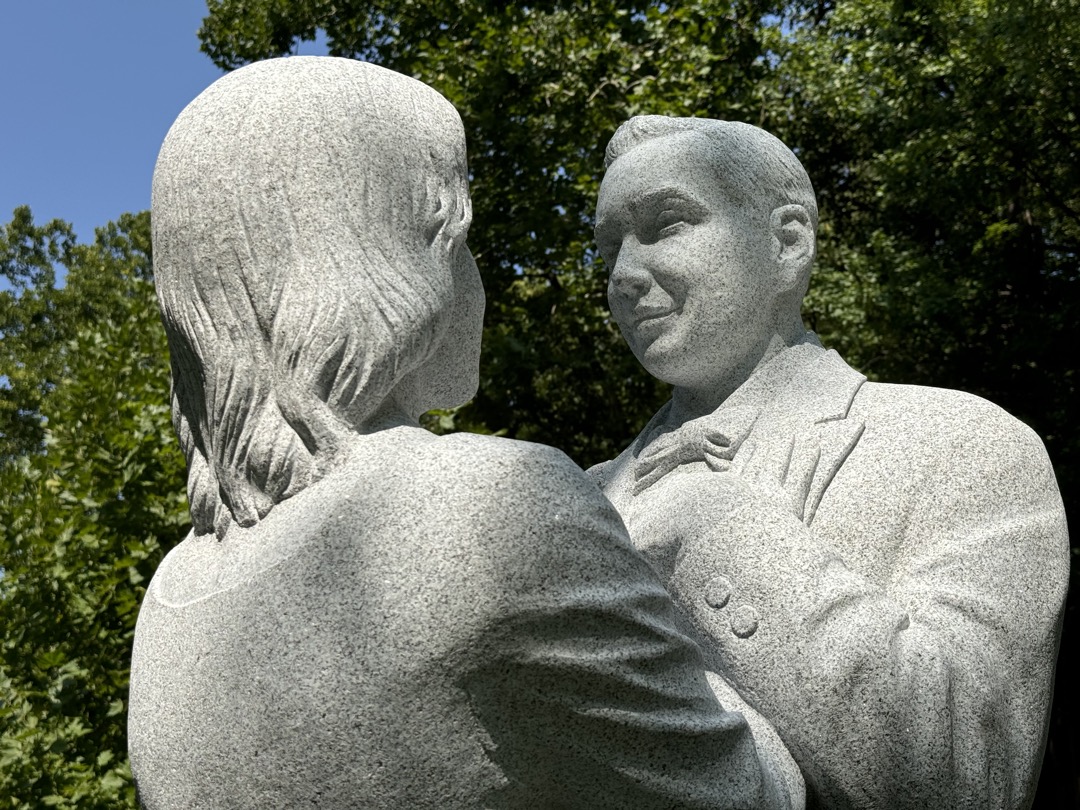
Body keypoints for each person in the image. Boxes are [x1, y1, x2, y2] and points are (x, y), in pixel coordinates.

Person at [128, 59, 803, 809]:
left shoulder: (168, 606)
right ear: (400, 256)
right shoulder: (492, 504)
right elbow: (752, 792)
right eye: (462, 239)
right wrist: (698, 519)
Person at [589, 115, 1069, 810]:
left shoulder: (962, 443)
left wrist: (706, 522)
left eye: (666, 225)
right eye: (609, 249)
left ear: (787, 243)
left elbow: (966, 779)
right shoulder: (580, 498)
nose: (624, 276)